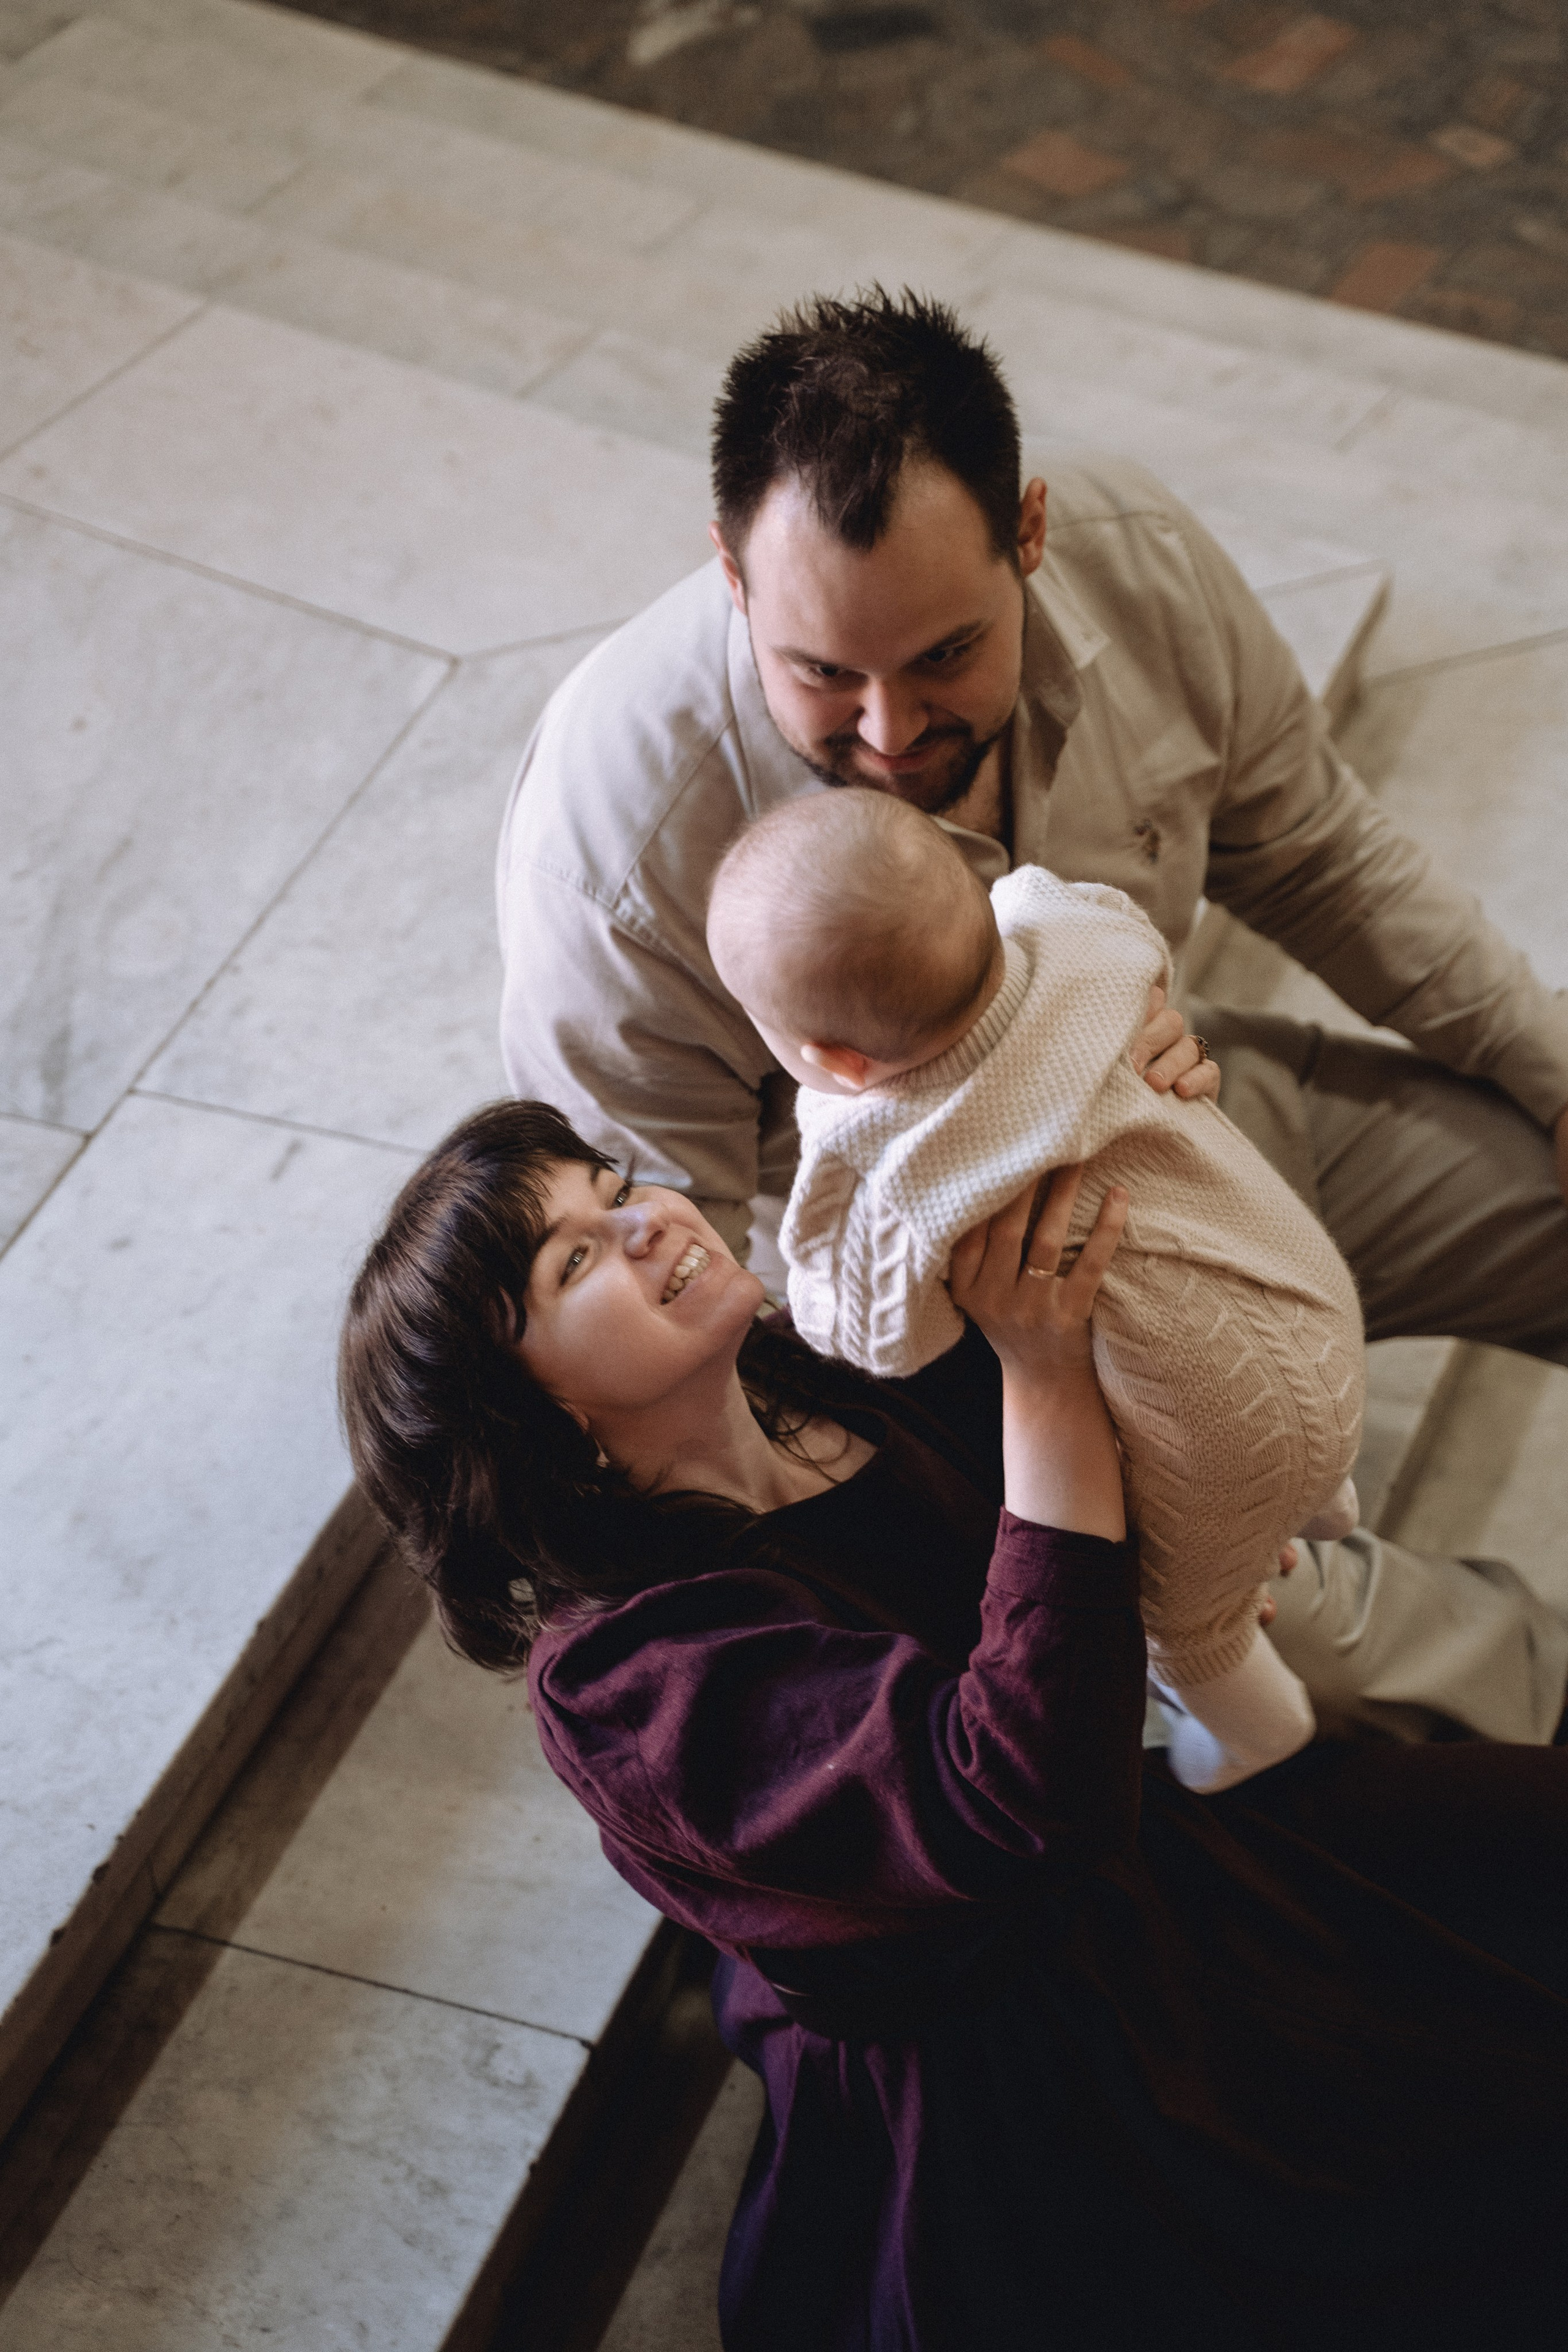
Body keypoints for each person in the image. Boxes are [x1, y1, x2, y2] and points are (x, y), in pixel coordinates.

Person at [496, 288, 1568, 1747]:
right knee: (1300, 1623)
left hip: (1195, 1128)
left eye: (944, 656)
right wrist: (1041, 1475)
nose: (886, 732)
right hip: (980, 1344)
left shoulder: (1143, 563)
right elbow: (702, 1309)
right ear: (732, 579)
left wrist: (1550, 1077)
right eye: (822, 674)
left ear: (1032, 537)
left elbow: (1317, 853)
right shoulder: (610, 848)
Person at [339, 1099, 1568, 2351]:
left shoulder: (793, 1368)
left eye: (614, 1190)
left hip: (1143, 1858)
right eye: (576, 1259)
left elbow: (1075, 1514)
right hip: (1032, 2048)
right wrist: (1041, 1382)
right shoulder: (621, 1683)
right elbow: (1014, 1798)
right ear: (538, 1419)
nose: (646, 1223)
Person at [708, 788, 1363, 1792]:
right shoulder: (1071, 930)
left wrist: (832, 1126)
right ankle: (1319, 1502)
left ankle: (1256, 1735)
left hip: (1220, 1414)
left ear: (834, 1058)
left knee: (1180, 1624)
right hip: (1307, 1296)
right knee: (1286, 1450)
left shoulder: (885, 1159)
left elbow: (875, 1338)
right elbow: (1122, 925)